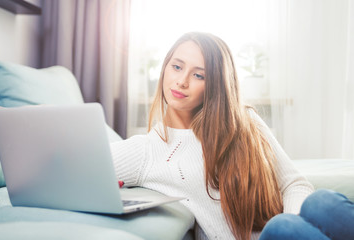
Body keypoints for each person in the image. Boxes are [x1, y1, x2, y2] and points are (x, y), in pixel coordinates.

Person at [110, 32, 315, 240]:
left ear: (215, 85)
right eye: (177, 67)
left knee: (324, 203)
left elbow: (295, 185)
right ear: (164, 68)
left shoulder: (245, 120)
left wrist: (293, 224)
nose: (182, 81)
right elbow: (82, 167)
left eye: (198, 75)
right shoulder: (145, 150)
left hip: (285, 233)